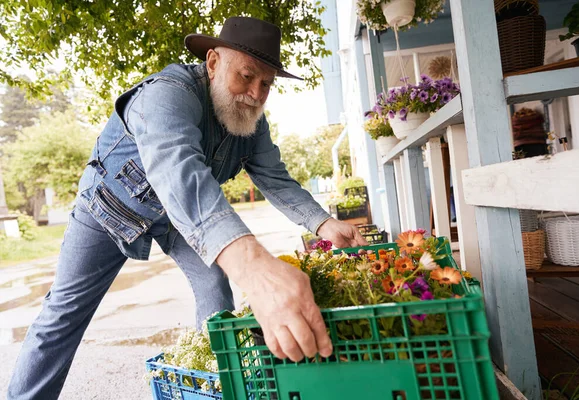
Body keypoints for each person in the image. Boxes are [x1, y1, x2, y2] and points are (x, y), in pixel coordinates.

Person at [7, 16, 367, 399]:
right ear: (213, 62)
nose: (256, 94)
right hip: (108, 207)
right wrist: (257, 269)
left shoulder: (251, 123)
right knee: (63, 314)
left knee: (215, 288)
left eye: (266, 84)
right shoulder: (166, 93)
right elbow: (177, 170)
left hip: (178, 223)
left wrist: (325, 223)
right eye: (246, 76)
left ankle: (211, 384)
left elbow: (273, 177)